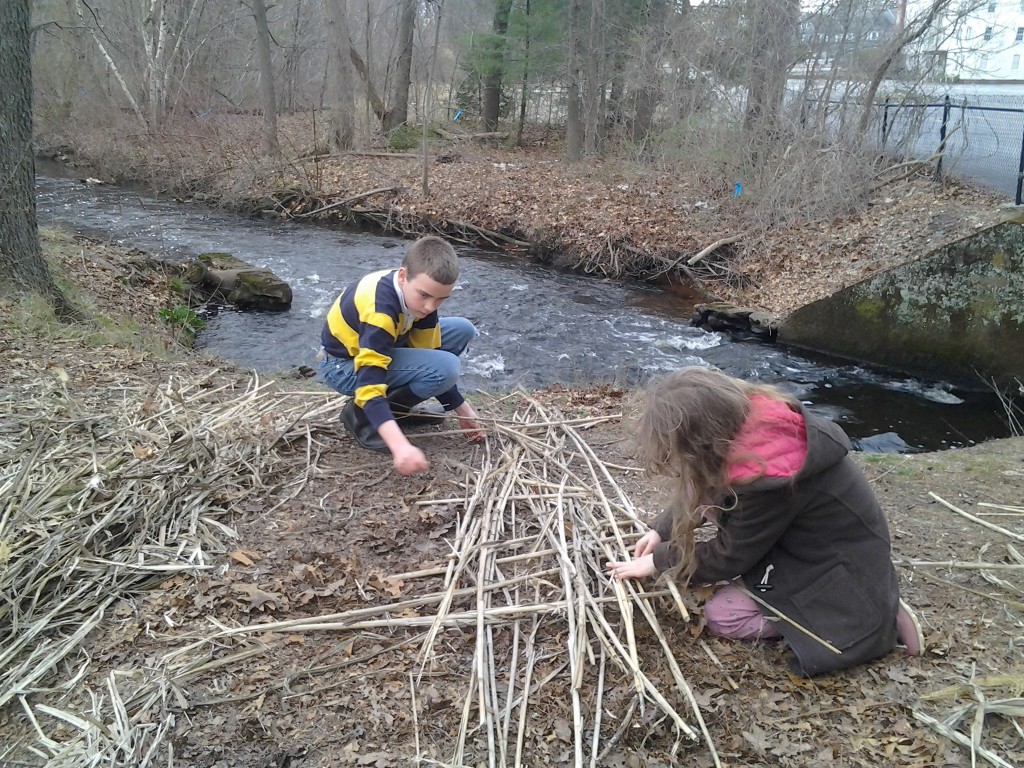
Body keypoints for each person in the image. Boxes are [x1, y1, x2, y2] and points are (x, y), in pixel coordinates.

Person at [605, 366, 924, 677]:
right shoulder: (750, 429)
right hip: (819, 548)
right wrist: (660, 531)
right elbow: (700, 489)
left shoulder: (767, 481)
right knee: (714, 506)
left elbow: (727, 557)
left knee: (721, 617)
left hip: (826, 566)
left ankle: (862, 616)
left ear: (700, 444)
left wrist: (659, 562)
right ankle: (870, 598)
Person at [317, 235, 485, 476]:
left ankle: (396, 411)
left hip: (389, 341)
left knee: (462, 329)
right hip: (343, 366)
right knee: (447, 368)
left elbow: (428, 352)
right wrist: (400, 447)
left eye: (440, 299)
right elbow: (369, 384)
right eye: (425, 296)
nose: (430, 307)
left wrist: (464, 411)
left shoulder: (417, 296)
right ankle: (361, 417)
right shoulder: (380, 311)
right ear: (403, 275)